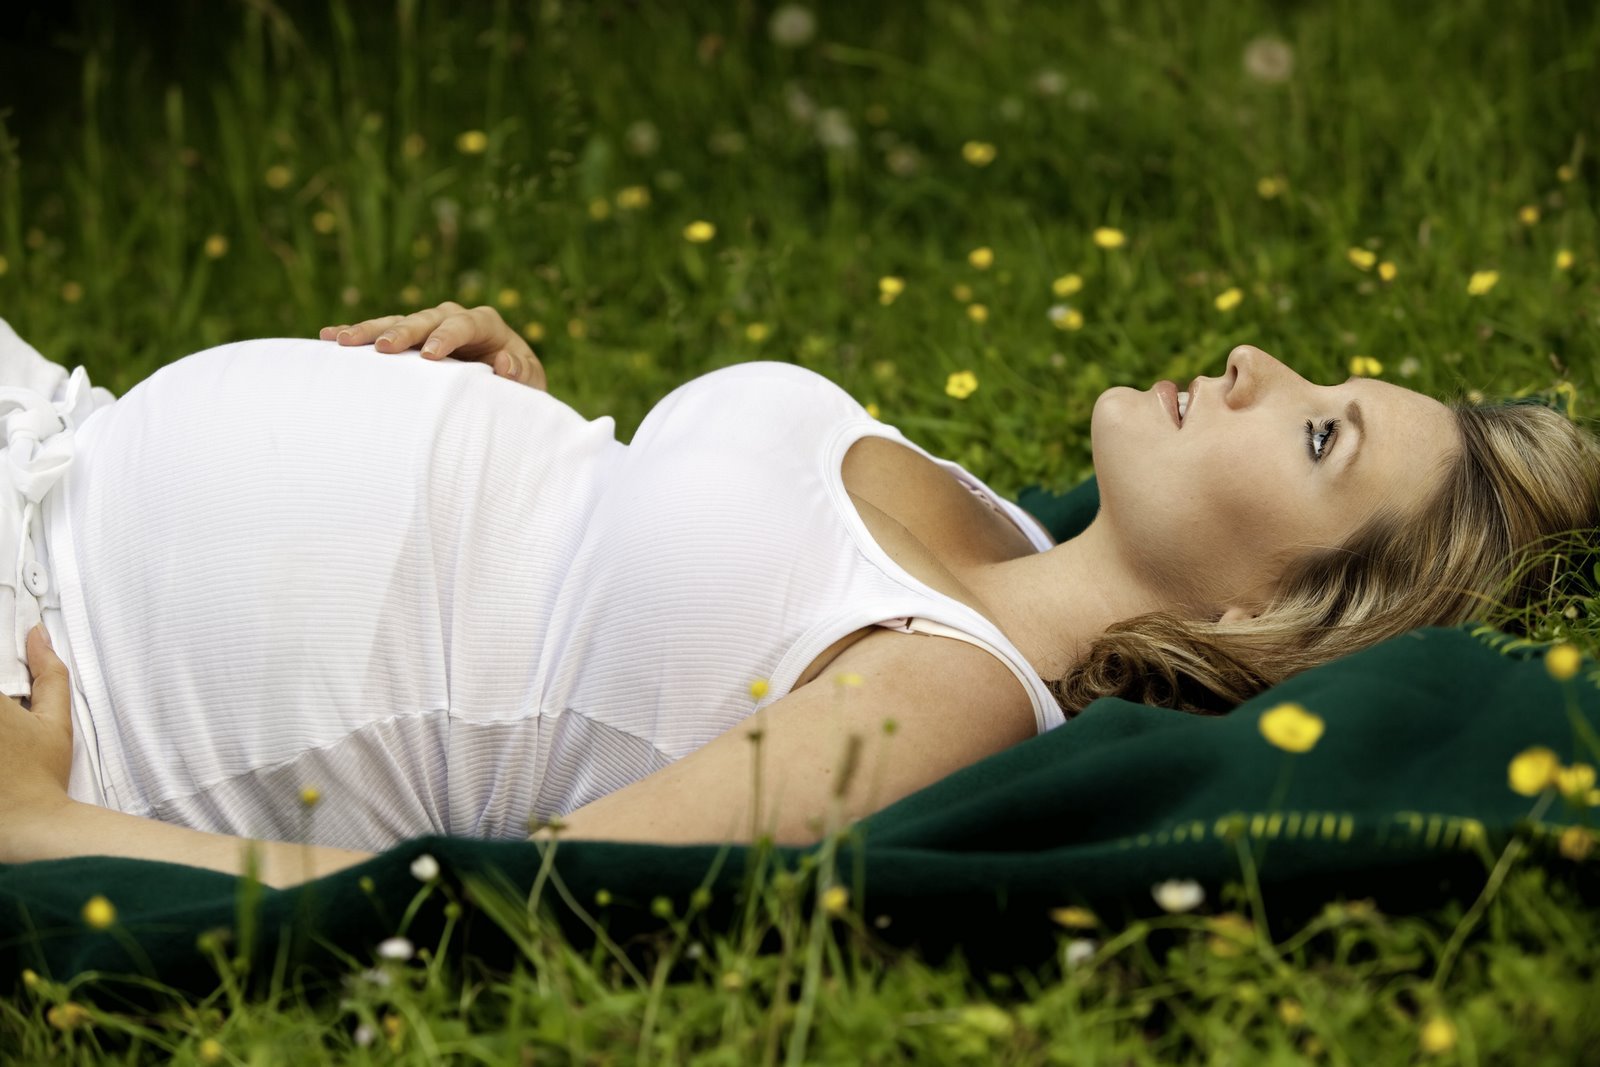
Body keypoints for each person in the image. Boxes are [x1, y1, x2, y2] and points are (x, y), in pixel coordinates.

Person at [0, 302, 1596, 889]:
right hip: (64, 446)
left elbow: (505, 890)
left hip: (81, 672)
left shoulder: (950, 692)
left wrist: (60, 838)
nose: (1260, 361)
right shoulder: (989, 533)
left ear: (1290, 619)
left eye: (1319, 433)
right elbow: (624, 637)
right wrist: (530, 436)